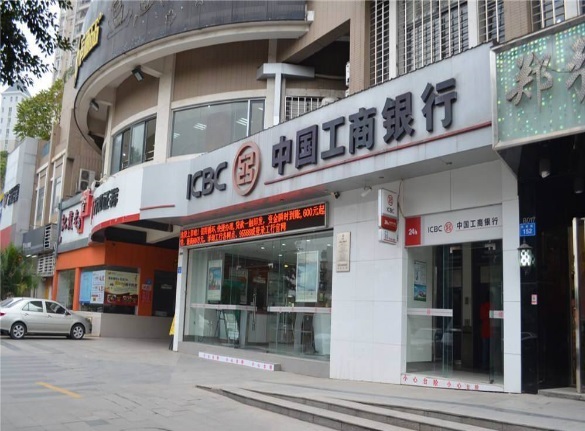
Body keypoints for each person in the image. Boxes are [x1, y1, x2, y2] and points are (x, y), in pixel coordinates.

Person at [480, 293, 491, 372]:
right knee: (492, 350)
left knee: (485, 349)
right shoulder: (493, 306)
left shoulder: (483, 306)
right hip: (492, 331)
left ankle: (484, 365)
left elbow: (481, 317)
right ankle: (491, 365)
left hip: (484, 330)